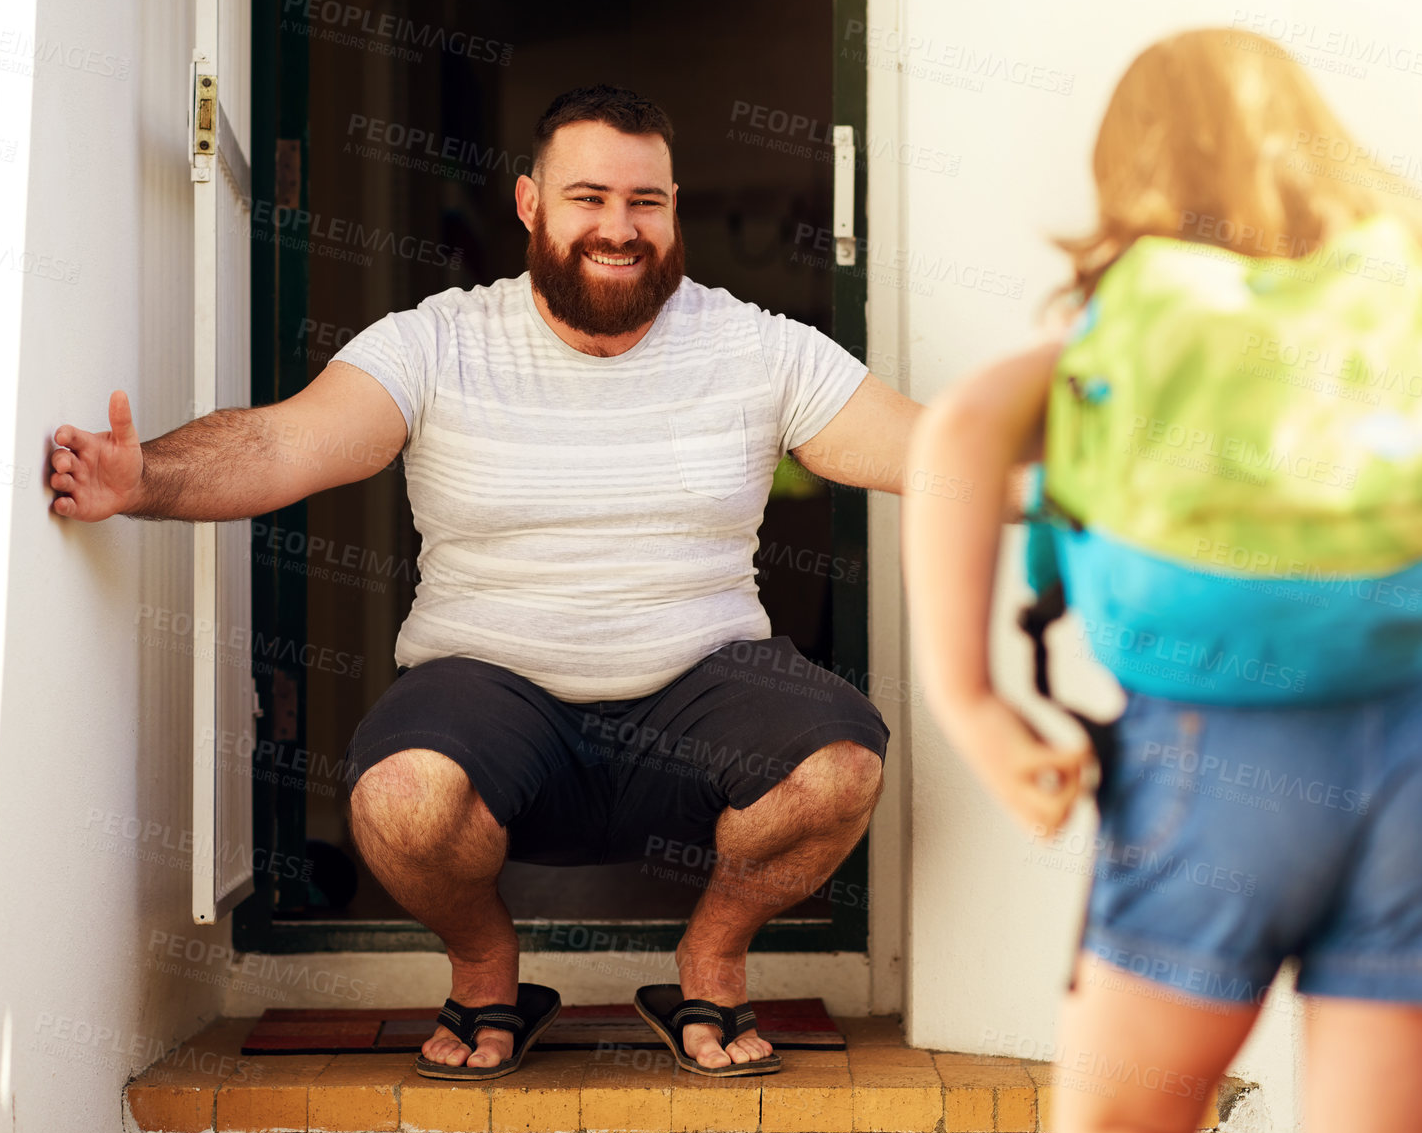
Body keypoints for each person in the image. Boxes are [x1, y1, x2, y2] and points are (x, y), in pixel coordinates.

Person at [48, 84, 925, 1079]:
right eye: (588, 197)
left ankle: (710, 963)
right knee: (400, 800)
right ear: (528, 203)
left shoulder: (757, 346)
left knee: (842, 764)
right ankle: (484, 967)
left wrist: (1087, 468)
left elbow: (931, 452)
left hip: (702, 685)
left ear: (674, 208)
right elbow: (284, 440)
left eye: (647, 202)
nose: (619, 229)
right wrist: (146, 476)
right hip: (491, 690)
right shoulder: (437, 341)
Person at [902, 29, 1422, 1133]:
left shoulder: (1151, 321)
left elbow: (957, 429)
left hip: (1220, 752)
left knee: (1123, 1130)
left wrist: (974, 704)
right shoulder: (1389, 306)